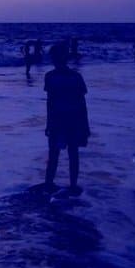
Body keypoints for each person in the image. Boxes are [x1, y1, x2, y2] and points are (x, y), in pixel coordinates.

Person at [43, 42, 90, 194]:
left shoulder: (51, 77)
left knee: (55, 153)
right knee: (72, 153)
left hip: (60, 119)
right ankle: (72, 185)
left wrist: (49, 123)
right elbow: (82, 103)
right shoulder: (76, 77)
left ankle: (50, 183)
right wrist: (85, 125)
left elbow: (50, 102)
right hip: (73, 118)